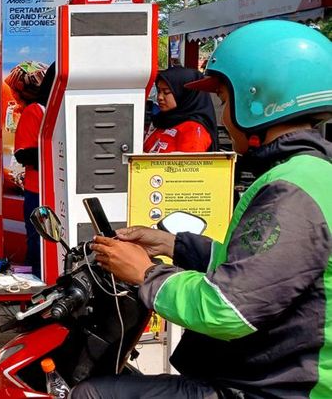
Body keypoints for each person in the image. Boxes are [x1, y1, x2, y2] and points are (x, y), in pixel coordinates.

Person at [79, 20, 332, 398]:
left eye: (225, 100)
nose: (223, 114)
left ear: (256, 101)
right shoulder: (306, 175)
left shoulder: (291, 191)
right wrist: (171, 245)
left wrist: (145, 274)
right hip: (267, 370)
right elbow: (259, 266)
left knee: (92, 393)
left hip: (271, 387)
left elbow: (228, 308)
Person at [9, 62, 52, 273]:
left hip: (59, 191)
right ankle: (37, 284)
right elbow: (21, 153)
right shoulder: (36, 110)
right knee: (38, 241)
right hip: (38, 191)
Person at [144, 66, 218, 153]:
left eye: (166, 92)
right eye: (159, 91)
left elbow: (189, 164)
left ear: (184, 93)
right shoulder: (162, 120)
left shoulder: (193, 130)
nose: (160, 97)